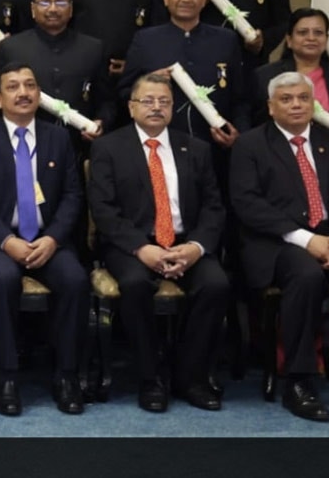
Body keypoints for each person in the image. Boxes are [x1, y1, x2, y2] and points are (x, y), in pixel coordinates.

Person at [89, 72, 229, 412]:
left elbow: (213, 207)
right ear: (131, 107)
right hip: (131, 244)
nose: (156, 107)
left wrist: (195, 247)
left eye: (164, 102)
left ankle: (189, 376)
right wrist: (142, 248)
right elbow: (103, 210)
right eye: (147, 101)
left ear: (173, 107)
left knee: (216, 284)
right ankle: (150, 377)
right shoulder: (108, 148)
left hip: (185, 242)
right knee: (135, 284)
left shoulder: (195, 148)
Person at [0, 63, 88, 416]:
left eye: (30, 85)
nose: (23, 93)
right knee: (4, 278)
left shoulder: (58, 138)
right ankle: (7, 377)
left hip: (48, 240)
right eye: (13, 87)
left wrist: (53, 239)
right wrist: (6, 240)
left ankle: (66, 376)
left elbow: (73, 196)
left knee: (75, 280)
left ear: (39, 94)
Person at [230, 71, 329, 422]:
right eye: (286, 99)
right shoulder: (251, 145)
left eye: (303, 98)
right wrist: (307, 240)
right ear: (271, 107)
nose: (296, 105)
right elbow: (247, 204)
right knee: (306, 276)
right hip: (277, 242)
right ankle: (299, 380)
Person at [120, 0, 248, 149]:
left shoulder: (226, 40)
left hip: (216, 146)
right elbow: (124, 92)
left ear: (204, 0)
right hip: (160, 146)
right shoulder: (145, 40)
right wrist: (148, 83)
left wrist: (239, 136)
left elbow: (240, 99)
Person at [0, 0, 113, 144]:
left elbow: (107, 100)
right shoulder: (11, 48)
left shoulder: (94, 48)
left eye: (60, 2)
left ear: (71, 9)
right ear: (33, 9)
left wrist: (101, 122)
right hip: (24, 142)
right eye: (45, 2)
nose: (53, 9)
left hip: (78, 144)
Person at [253, 8, 329, 125]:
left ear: (326, 39)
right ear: (289, 40)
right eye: (303, 32)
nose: (311, 38)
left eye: (318, 33)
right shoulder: (265, 76)